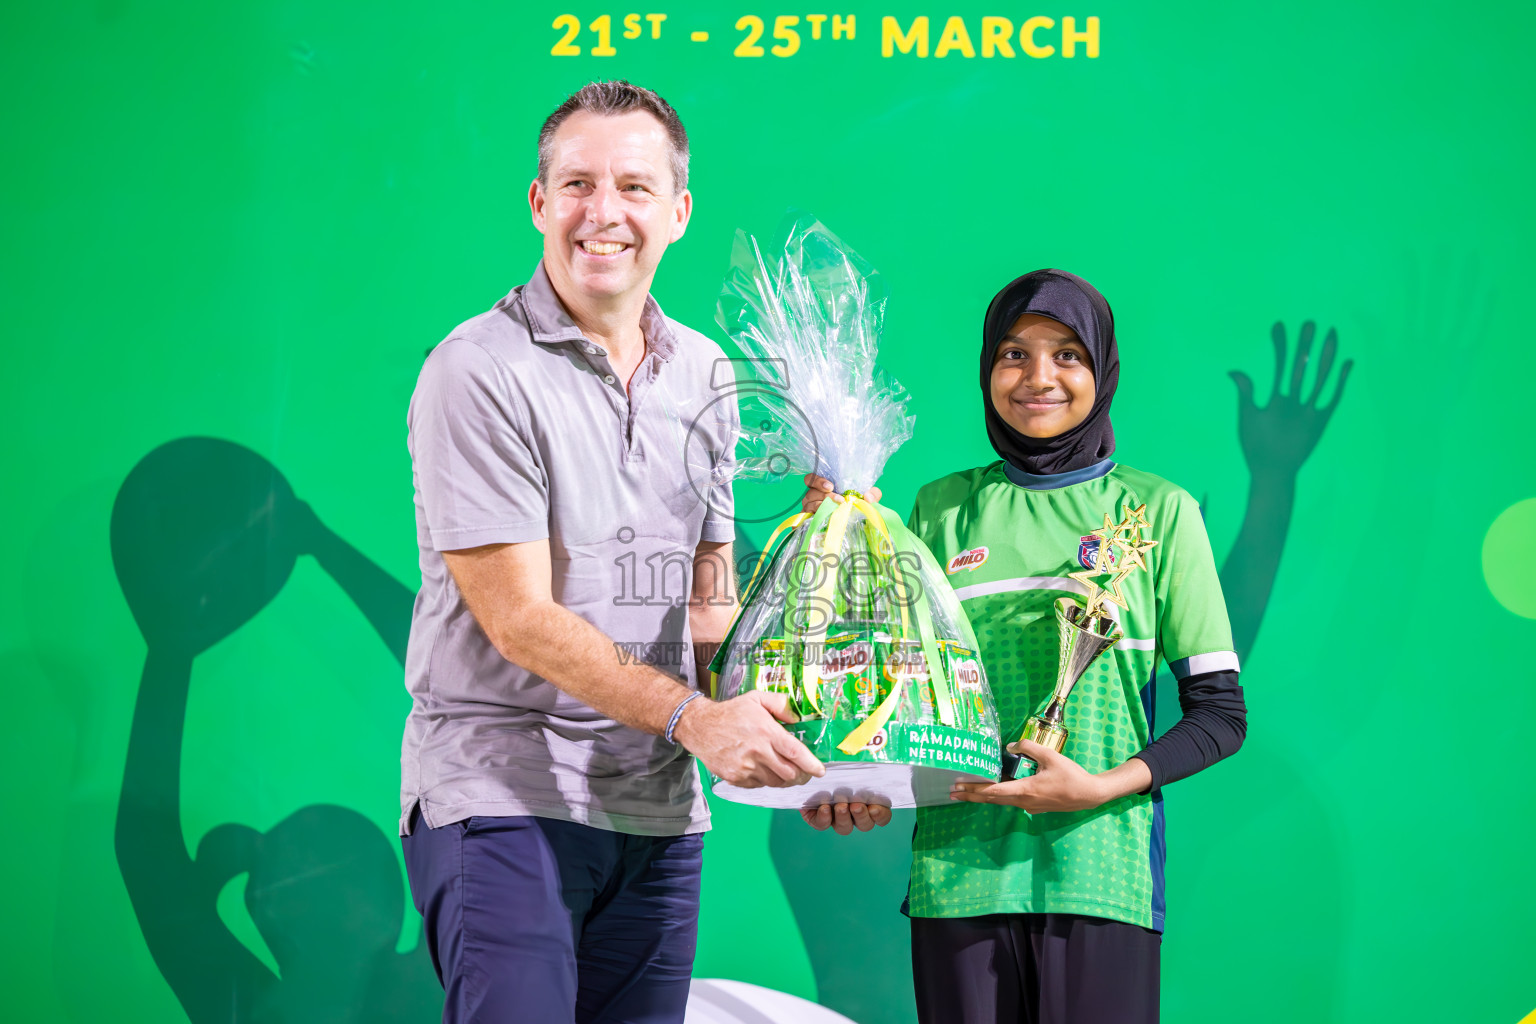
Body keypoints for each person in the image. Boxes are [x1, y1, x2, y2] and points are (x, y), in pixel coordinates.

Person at [400, 80, 823, 1024]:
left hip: (659, 810)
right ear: (539, 203)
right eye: (578, 183)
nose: (605, 213)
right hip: (502, 788)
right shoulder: (477, 370)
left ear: (677, 211)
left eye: (633, 187)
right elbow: (520, 621)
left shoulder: (710, 373)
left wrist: (817, 758)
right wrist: (696, 722)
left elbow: (708, 599)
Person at [802, 269, 1248, 1023]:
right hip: (957, 874)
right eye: (1014, 354)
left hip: (1102, 874)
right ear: (987, 369)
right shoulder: (938, 510)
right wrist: (850, 782)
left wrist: (1103, 786)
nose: (1039, 378)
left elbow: (1220, 714)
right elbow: (891, 695)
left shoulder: (1157, 511)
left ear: (1102, 370)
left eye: (1067, 355)